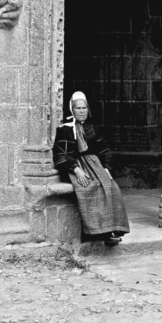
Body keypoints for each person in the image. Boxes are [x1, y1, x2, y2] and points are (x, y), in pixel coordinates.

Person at [52, 91, 130, 246]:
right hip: (76, 165)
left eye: (84, 108)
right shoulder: (65, 129)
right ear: (72, 110)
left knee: (111, 187)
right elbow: (60, 154)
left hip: (94, 164)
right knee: (89, 188)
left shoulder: (90, 128)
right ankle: (94, 232)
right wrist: (76, 169)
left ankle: (111, 230)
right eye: (78, 108)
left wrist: (106, 167)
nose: (82, 111)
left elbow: (103, 149)